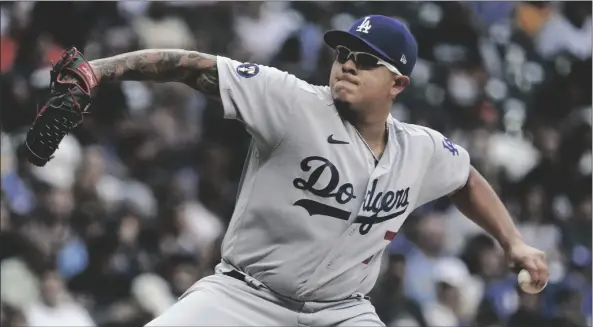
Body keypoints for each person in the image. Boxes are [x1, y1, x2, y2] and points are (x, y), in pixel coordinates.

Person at [32, 15, 549, 326]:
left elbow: (467, 180)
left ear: (398, 84)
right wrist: (99, 70)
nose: (347, 63)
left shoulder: (420, 150)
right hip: (244, 297)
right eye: (343, 53)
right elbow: (192, 65)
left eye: (366, 60)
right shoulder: (293, 102)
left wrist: (513, 242)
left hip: (341, 312)